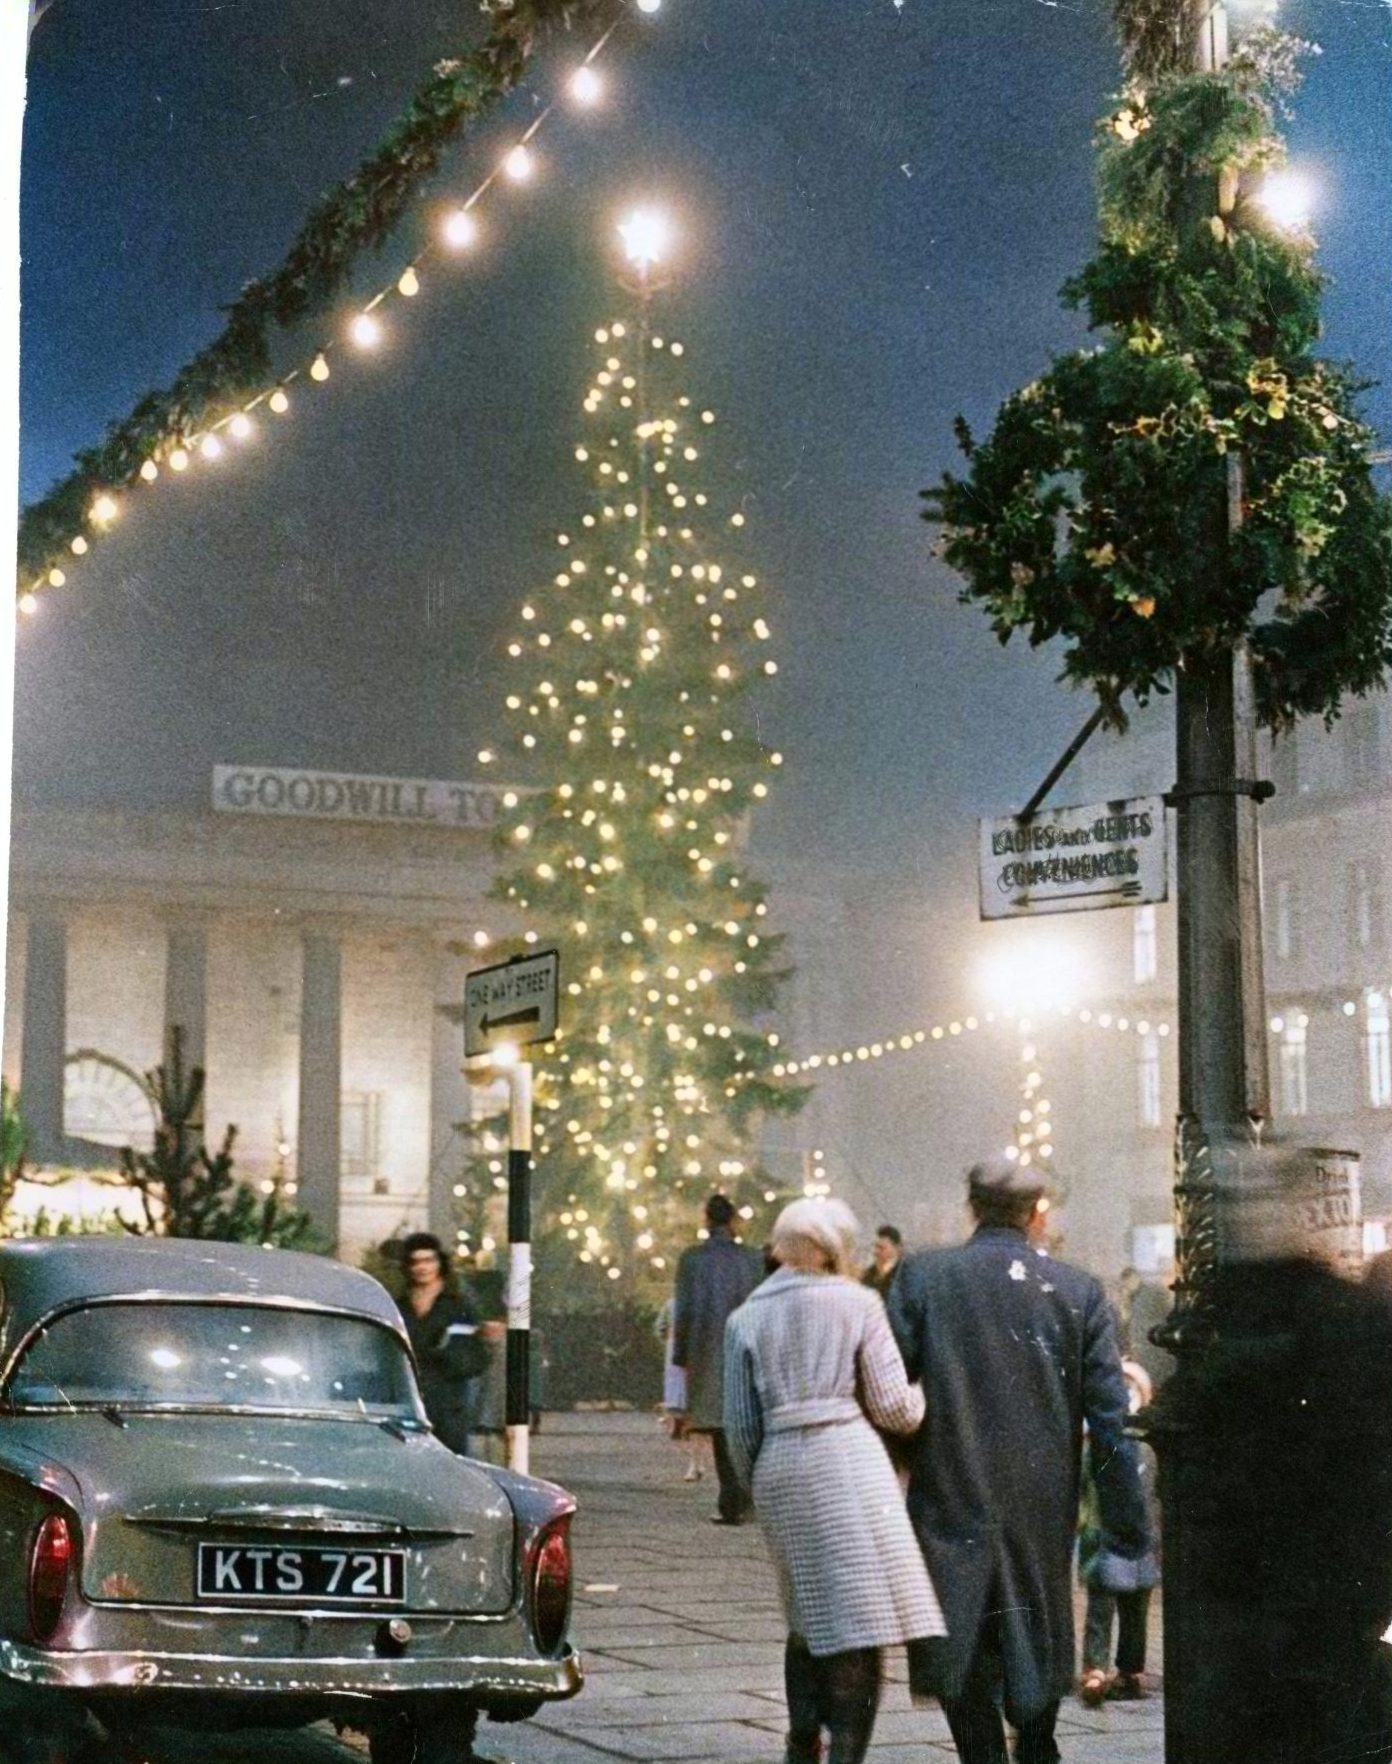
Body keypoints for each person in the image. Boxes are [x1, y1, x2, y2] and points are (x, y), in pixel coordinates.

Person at [889, 1156, 1150, 1764]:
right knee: (1037, 1628)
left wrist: (914, 1459)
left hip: (949, 1489)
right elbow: (1110, 1422)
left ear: (972, 1208)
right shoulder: (1080, 1292)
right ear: (1039, 1212)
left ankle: (982, 1754)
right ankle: (1036, 1742)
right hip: (1040, 1500)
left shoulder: (922, 1278)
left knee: (963, 1636)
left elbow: (889, 1393)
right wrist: (1127, 1525)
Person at [725, 1198, 945, 1764]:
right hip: (848, 1462)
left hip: (780, 1466)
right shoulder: (859, 1302)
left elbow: (741, 1428)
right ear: (833, 1247)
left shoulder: (745, 1317)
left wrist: (761, 1483)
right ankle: (846, 1753)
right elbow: (895, 1406)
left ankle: (802, 1741)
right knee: (862, 1623)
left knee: (808, 1616)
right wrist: (931, 1401)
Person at [672, 1192, 762, 1523]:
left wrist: (681, 1354)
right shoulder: (752, 1259)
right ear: (733, 1220)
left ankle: (732, 1499)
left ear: (707, 1219)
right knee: (744, 1422)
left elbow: (683, 1310)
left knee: (721, 1426)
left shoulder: (691, 1260)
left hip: (706, 1348)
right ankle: (744, 1496)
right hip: (748, 1348)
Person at [1077, 1360, 1159, 1705]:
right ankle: (1095, 1667)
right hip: (1104, 1532)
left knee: (1136, 1607)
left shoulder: (1149, 1445)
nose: (1126, 1396)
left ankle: (1129, 1670)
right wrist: (1084, 1522)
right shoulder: (1094, 1443)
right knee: (1102, 1603)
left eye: (1132, 1389)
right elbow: (1082, 1488)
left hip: (1142, 1537)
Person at [397, 1232, 498, 1456]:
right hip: (409, 1400)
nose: (422, 1267)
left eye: (428, 1260)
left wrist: (444, 1354)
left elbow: (475, 1357)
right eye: (415, 1261)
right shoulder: (399, 1306)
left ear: (439, 1263)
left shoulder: (457, 1305)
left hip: (450, 1402)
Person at [862, 1224, 903, 1299]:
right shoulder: (868, 1275)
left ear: (897, 1248)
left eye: (881, 1248)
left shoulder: (906, 1274)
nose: (875, 1252)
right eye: (875, 1247)